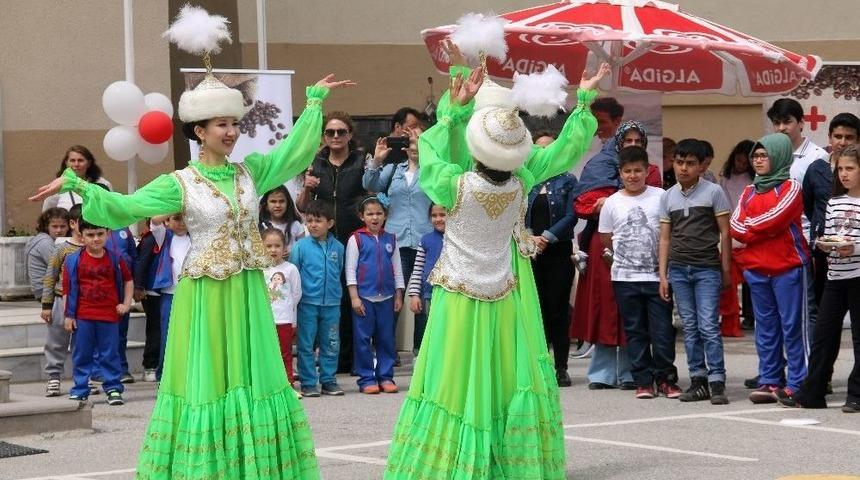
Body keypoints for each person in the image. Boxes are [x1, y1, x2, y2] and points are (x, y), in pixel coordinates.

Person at [30, 18, 353, 470]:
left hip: (245, 291)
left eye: (235, 124)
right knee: (209, 377)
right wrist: (78, 185)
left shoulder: (250, 172)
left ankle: (248, 461)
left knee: (252, 375)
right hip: (205, 295)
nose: (232, 132)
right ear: (199, 130)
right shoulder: (180, 183)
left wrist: (314, 102)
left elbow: (292, 154)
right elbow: (125, 207)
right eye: (222, 124)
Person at [384, 34, 609, 476]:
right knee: (506, 370)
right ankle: (504, 456)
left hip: (459, 292)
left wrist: (452, 107)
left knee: (455, 374)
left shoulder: (453, 182)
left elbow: (430, 151)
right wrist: (582, 104)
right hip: (508, 289)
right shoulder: (522, 178)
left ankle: (455, 458)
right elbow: (565, 150)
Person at [777, 145, 860, 413]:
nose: (844, 174)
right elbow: (829, 233)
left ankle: (856, 393)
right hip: (835, 276)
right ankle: (812, 391)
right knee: (824, 334)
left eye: (850, 168)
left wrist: (854, 248)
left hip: (858, 276)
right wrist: (823, 244)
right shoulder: (835, 201)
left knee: (858, 338)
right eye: (840, 169)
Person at [730, 133, 810, 404]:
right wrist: (753, 231)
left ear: (779, 156)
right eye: (756, 155)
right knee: (765, 328)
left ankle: (799, 383)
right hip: (756, 269)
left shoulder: (791, 187)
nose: (758, 160)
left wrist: (749, 232)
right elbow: (735, 224)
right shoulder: (748, 191)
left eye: (764, 155)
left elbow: (775, 219)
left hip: (788, 268)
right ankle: (770, 380)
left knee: (793, 328)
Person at [600, 146, 679, 400]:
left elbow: (670, 233)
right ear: (620, 173)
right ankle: (643, 380)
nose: (633, 176)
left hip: (658, 278)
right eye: (627, 171)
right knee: (635, 331)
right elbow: (606, 237)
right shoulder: (612, 202)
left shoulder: (661, 196)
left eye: (638, 171)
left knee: (663, 330)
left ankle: (666, 379)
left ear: (647, 172)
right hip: (625, 279)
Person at [659, 139, 733, 404]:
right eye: (679, 162)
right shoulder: (668, 196)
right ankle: (698, 379)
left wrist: (725, 269)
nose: (683, 168)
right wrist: (663, 274)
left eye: (690, 163)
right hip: (678, 270)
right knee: (689, 327)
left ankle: (717, 381)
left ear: (701, 166)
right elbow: (665, 238)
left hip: (706, 269)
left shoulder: (713, 192)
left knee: (709, 326)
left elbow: (725, 233)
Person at [297, 110, 368, 375]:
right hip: (323, 241)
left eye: (340, 132)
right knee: (326, 301)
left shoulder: (362, 161)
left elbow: (373, 197)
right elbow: (304, 207)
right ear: (324, 137)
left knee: (353, 298)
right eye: (330, 132)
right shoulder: (316, 163)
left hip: (354, 238)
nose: (335, 136)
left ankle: (351, 358)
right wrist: (306, 185)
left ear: (350, 134)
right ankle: (329, 359)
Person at [363, 124, 432, 366]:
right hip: (396, 241)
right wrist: (378, 160)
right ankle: (387, 353)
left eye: (420, 141)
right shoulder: (394, 169)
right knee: (394, 299)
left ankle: (421, 352)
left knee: (424, 298)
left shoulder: (434, 170)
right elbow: (369, 184)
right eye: (411, 142)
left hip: (426, 240)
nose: (414, 146)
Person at [62, 217, 133, 405]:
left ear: (108, 234)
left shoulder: (116, 258)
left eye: (100, 234)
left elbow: (128, 280)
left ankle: (113, 388)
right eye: (90, 235)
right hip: (83, 315)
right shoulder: (73, 260)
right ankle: (80, 388)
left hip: (109, 315)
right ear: (82, 236)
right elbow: (67, 290)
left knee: (110, 353)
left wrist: (126, 303)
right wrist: (68, 315)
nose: (95, 239)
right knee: (82, 353)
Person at [526, 130, 578, 387]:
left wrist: (546, 237)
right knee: (536, 312)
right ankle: (541, 366)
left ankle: (561, 367)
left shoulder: (568, 180)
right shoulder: (527, 181)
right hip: (530, 254)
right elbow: (519, 214)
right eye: (539, 149)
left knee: (558, 311)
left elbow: (571, 215)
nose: (543, 153)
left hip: (558, 253)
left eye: (549, 148)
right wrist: (529, 238)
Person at [346, 196, 405, 394]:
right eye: (370, 213)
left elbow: (397, 268)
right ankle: (366, 378)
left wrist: (399, 294)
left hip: (387, 298)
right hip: (364, 298)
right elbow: (350, 270)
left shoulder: (391, 239)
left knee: (387, 338)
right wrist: (354, 297)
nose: (374, 217)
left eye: (379, 213)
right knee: (363, 339)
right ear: (362, 216)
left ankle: (386, 376)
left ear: (385, 215)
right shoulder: (356, 239)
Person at [803, 113, 860, 305]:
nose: (842, 142)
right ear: (830, 137)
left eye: (849, 137)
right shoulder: (816, 169)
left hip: (856, 253)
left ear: (858, 140)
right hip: (824, 251)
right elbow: (809, 206)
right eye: (838, 136)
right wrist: (823, 231)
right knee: (823, 308)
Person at [291, 200, 346, 398]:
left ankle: (329, 380)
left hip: (331, 304)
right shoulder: (301, 247)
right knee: (305, 344)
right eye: (310, 220)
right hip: (307, 304)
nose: (313, 225)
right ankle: (308, 382)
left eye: (318, 221)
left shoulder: (338, 247)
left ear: (329, 223)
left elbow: (339, 270)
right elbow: (294, 274)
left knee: (331, 343)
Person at [40, 205, 87, 397]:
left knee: (83, 343)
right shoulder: (61, 249)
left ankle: (82, 378)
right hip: (61, 300)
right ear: (73, 224)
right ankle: (53, 377)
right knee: (56, 341)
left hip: (86, 302)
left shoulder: (94, 249)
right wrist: (47, 305)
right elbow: (50, 276)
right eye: (83, 224)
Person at [718, 139, 756, 334]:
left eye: (744, 162)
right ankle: (729, 314)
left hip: (749, 230)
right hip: (730, 228)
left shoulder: (754, 180)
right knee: (729, 277)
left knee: (751, 277)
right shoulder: (725, 178)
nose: (740, 165)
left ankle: (750, 315)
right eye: (738, 161)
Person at [148, 213, 190, 381]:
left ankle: (187, 374)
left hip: (193, 293)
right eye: (177, 219)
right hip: (170, 294)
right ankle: (164, 375)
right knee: (168, 335)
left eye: (185, 218)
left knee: (191, 335)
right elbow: (154, 221)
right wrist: (174, 206)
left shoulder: (197, 237)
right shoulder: (165, 237)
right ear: (168, 221)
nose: (182, 223)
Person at [262, 228, 302, 384]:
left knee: (285, 352)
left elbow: (296, 293)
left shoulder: (290, 269)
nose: (273, 250)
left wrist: (288, 312)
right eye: (269, 246)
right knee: (266, 352)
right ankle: (269, 383)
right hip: (265, 320)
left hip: (284, 319)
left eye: (277, 246)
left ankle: (287, 383)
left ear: (284, 248)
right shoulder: (260, 270)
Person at [407, 203, 446, 355]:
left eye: (442, 215)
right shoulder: (426, 240)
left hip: (452, 294)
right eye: (434, 216)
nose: (438, 219)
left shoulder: (459, 240)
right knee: (431, 329)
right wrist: (415, 295)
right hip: (431, 295)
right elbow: (418, 271)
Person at [41, 145, 112, 212]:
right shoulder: (57, 186)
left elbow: (111, 211)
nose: (76, 164)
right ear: (66, 163)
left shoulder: (102, 184)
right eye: (72, 160)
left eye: (80, 160)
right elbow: (47, 217)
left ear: (89, 163)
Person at [133, 221, 162, 382]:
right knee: (154, 329)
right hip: (151, 291)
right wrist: (138, 286)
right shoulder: (150, 238)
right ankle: (150, 366)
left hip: (167, 289)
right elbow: (142, 262)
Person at [26, 207, 70, 301]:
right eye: (54, 226)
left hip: (45, 289)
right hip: (46, 291)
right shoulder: (45, 243)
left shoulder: (46, 239)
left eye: (63, 226)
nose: (58, 230)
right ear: (47, 226)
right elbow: (61, 267)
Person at [259, 185, 305, 255]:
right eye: (273, 201)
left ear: (288, 204)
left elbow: (303, 249)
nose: (278, 205)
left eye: (281, 201)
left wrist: (291, 253)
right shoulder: (261, 226)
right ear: (266, 205)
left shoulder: (296, 225)